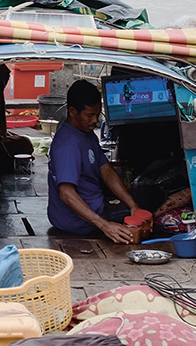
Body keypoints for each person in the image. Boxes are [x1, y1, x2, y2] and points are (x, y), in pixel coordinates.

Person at [47, 80, 140, 243]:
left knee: (139, 200)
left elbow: (105, 169)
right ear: (73, 111)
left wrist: (132, 205)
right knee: (152, 198)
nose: (95, 121)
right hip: (79, 221)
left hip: (92, 207)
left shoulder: (85, 133)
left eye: (98, 115)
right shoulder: (67, 145)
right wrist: (105, 226)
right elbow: (66, 194)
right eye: (90, 115)